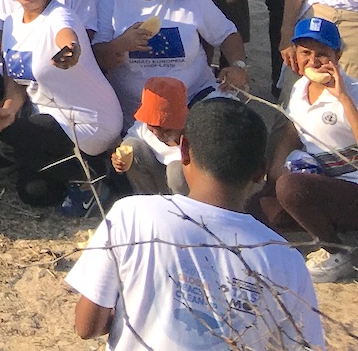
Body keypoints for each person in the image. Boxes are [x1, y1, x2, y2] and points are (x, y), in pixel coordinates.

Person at [67, 99, 320, 347]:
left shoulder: (131, 215)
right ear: (260, 171)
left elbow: (87, 326)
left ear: (184, 150)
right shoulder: (287, 259)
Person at [0, 0, 123, 214]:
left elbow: (66, 35)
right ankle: (79, 176)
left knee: (12, 137)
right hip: (50, 115)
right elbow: (16, 79)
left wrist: (70, 50)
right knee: (33, 193)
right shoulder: (12, 22)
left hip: (90, 120)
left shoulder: (60, 15)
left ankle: (90, 174)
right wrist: (10, 108)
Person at [91, 0, 248, 124]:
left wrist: (238, 66)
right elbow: (97, 60)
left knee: (231, 122)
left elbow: (227, 34)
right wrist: (120, 45)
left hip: (195, 95)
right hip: (139, 109)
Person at [259, 16, 358, 282]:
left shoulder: (353, 90)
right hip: (321, 180)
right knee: (263, 201)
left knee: (290, 188)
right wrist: (276, 167)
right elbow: (293, 131)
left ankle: (337, 252)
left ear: (337, 56)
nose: (313, 60)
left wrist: (344, 99)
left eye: (322, 54)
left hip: (352, 185)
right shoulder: (299, 88)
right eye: (305, 52)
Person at [110, 76, 189, 198]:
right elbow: (127, 146)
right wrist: (119, 160)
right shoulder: (142, 128)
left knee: (176, 170)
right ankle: (150, 204)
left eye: (166, 129)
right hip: (156, 185)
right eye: (152, 127)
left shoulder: (195, 135)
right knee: (131, 146)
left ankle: (183, 214)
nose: (157, 133)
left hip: (187, 193)